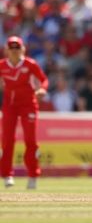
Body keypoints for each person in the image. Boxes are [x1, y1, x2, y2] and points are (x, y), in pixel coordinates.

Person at [0, 36, 49, 189]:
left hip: (28, 105)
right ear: (6, 50)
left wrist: (42, 89)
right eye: (11, 48)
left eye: (17, 48)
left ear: (23, 49)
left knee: (31, 141)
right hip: (10, 105)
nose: (14, 51)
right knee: (7, 140)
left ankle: (33, 175)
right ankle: (7, 174)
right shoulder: (2, 65)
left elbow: (44, 79)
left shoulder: (30, 64)